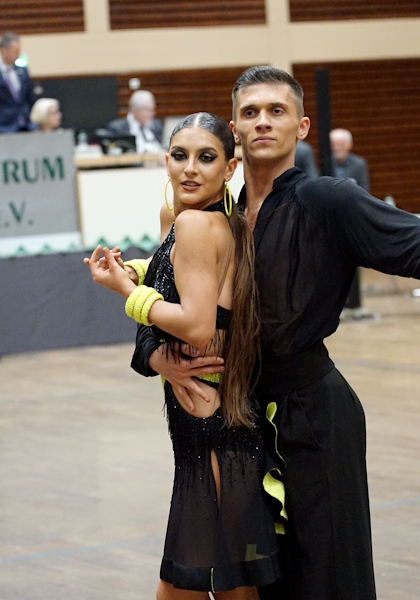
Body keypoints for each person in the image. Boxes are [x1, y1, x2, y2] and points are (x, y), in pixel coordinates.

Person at [132, 66, 420, 600]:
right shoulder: (218, 212)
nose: (262, 121)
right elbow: (165, 293)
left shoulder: (329, 200)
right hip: (243, 425)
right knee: (265, 585)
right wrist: (154, 356)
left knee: (329, 581)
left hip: (315, 421)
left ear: (301, 127)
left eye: (276, 111)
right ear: (235, 129)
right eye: (250, 112)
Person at [85, 112, 280, 599]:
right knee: (217, 588)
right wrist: (136, 275)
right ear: (166, 161)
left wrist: (126, 292)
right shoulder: (182, 217)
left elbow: (195, 323)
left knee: (196, 589)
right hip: (204, 430)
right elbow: (178, 278)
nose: (190, 168)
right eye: (180, 155)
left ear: (229, 169)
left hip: (215, 432)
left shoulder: (194, 223)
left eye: (206, 157)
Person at [330, 128, 370, 313]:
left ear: (349, 145)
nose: (337, 147)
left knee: (353, 258)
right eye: (334, 144)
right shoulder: (325, 162)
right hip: (331, 219)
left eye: (340, 143)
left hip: (352, 219)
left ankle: (354, 301)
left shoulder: (359, 164)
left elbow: (364, 191)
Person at [107, 89, 164, 154]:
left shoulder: (156, 125)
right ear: (135, 111)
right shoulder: (117, 129)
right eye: (148, 110)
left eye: (153, 109)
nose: (152, 114)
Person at [0, 32, 36, 133]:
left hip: (25, 124)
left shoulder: (23, 71)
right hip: (4, 126)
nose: (18, 54)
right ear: (3, 51)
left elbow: (29, 98)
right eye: (15, 51)